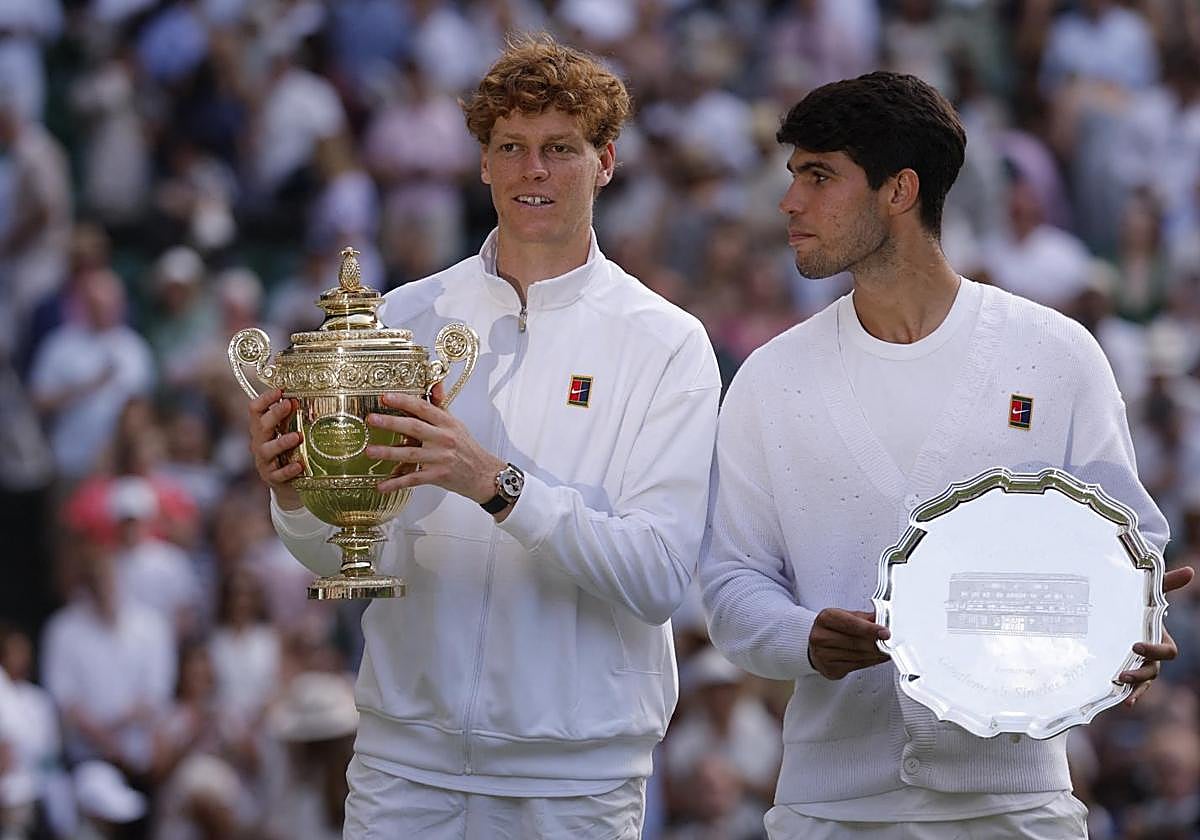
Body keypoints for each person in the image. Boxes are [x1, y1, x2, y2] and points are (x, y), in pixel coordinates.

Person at [246, 34, 721, 838]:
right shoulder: (399, 319)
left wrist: (497, 486)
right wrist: (297, 499)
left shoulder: (668, 342)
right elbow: (359, 558)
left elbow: (659, 577)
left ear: (605, 163)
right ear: (482, 163)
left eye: (559, 150)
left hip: (575, 787)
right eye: (512, 147)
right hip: (402, 772)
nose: (534, 171)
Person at [699, 71, 1193, 839]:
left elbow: (1129, 546)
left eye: (819, 175)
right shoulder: (770, 380)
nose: (790, 201)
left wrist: (1131, 620)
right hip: (829, 812)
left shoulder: (1057, 356)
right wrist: (804, 638)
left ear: (900, 191)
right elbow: (731, 581)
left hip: (1019, 807)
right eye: (793, 175)